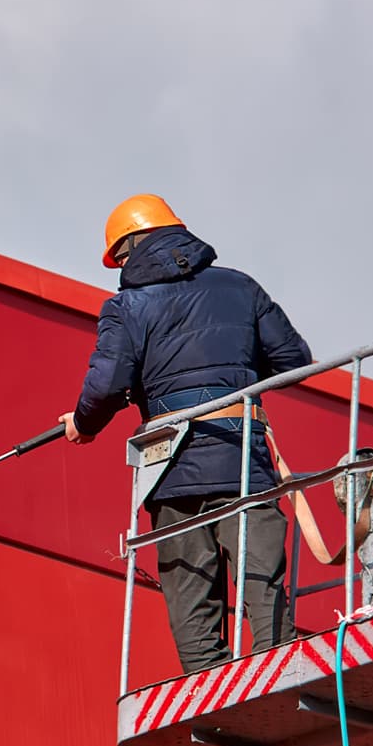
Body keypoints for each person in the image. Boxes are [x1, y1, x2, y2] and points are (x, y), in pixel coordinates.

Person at [60, 194, 313, 674]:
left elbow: (108, 383)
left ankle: (206, 685)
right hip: (243, 458)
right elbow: (294, 362)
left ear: (130, 248)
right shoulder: (241, 288)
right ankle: (279, 670)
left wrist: (83, 423)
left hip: (171, 467)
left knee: (189, 585)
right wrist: (230, 370)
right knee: (261, 576)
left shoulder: (127, 306)